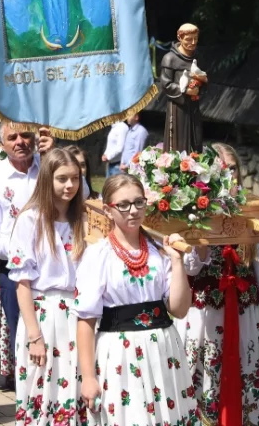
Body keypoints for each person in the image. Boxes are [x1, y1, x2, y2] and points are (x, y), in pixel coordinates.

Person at [75, 173, 197, 425]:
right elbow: (85, 321)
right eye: (123, 205)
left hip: (163, 349)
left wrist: (177, 261)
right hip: (120, 352)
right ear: (108, 211)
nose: (133, 211)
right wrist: (88, 377)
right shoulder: (98, 255)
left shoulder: (158, 252)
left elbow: (180, 309)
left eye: (139, 202)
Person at [176, 143, 259, 426]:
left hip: (244, 309)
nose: (230, 175)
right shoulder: (196, 209)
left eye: (234, 169)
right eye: (223, 169)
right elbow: (189, 267)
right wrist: (203, 243)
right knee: (202, 374)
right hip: (206, 310)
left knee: (246, 369)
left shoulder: (251, 210)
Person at [0, 121, 61, 390]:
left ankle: (57, 387)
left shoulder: (50, 168)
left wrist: (54, 158)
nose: (20, 141)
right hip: (14, 269)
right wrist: (21, 255)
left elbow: (82, 199)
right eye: (12, 137)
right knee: (21, 330)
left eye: (26, 135)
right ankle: (28, 391)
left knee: (56, 327)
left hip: (56, 266)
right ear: (2, 144)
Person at [8, 149, 88, 426]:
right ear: (47, 180)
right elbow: (22, 283)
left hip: (79, 314)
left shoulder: (85, 220)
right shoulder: (31, 219)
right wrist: (34, 336)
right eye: (62, 179)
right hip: (42, 313)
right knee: (40, 389)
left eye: (75, 179)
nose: (69, 186)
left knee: (76, 390)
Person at [160, 23, 207, 154]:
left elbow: (203, 79)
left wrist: (203, 82)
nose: (193, 42)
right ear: (180, 38)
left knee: (196, 137)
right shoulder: (170, 59)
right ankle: (178, 167)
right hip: (178, 108)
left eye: (195, 39)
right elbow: (165, 84)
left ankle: (196, 163)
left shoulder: (197, 58)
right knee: (178, 141)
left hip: (194, 105)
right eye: (188, 39)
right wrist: (186, 91)